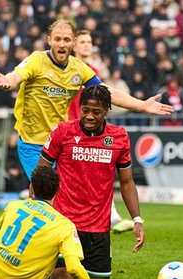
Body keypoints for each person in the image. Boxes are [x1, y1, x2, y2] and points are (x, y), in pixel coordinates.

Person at [0, 19, 173, 180]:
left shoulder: (79, 69)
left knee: (66, 194)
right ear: (49, 41)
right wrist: (9, 80)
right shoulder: (37, 60)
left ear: (72, 43)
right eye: (57, 39)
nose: (61, 44)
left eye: (66, 40)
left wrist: (141, 105)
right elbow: (18, 74)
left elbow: (107, 92)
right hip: (33, 143)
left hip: (60, 143)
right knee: (48, 191)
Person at [37, 85, 145, 279]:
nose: (89, 116)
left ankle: (80, 267)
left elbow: (126, 182)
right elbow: (41, 172)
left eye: (96, 112)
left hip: (98, 225)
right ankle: (47, 277)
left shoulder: (119, 138)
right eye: (85, 110)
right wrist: (40, 210)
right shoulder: (63, 132)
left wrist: (137, 220)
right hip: (64, 223)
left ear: (106, 110)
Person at [67, 29, 134, 234]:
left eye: (89, 42)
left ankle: (111, 215)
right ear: (73, 46)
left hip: (91, 130)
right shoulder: (67, 70)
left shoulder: (93, 71)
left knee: (100, 172)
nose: (87, 45)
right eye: (83, 42)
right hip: (71, 128)